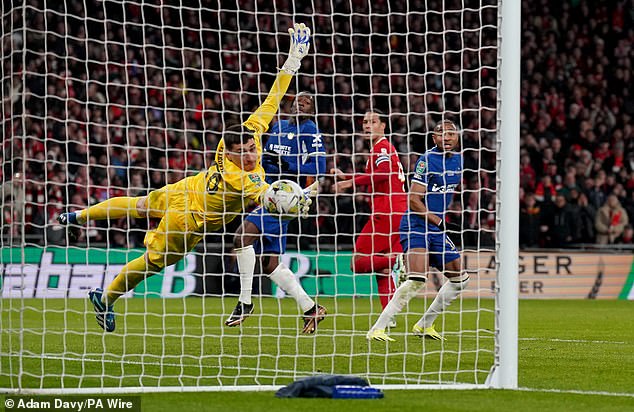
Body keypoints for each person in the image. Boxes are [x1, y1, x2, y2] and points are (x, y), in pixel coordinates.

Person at [56, 23, 313, 332]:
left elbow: (274, 97)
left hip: (187, 188)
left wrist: (293, 60)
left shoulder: (251, 131)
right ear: (228, 153)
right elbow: (265, 196)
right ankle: (107, 298)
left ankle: (77, 216)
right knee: (153, 262)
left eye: (250, 149)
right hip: (190, 219)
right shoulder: (240, 178)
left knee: (139, 205)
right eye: (242, 152)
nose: (250, 155)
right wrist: (290, 201)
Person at [225, 91, 328, 334]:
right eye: (297, 102)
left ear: (312, 109)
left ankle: (245, 302)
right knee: (269, 264)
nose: (300, 105)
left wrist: (288, 165)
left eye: (306, 103)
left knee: (241, 237)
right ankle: (311, 308)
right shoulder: (279, 126)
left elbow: (319, 166)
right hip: (268, 194)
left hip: (285, 198)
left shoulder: (310, 130)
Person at [366, 119, 467, 342]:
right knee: (417, 279)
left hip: (436, 228)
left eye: (451, 134)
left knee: (461, 280)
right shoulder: (427, 160)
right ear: (434, 138)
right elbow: (413, 200)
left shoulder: (459, 161)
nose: (446, 138)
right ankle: (377, 329)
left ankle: (424, 324)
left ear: (457, 137)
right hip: (417, 224)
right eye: (441, 134)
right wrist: (437, 220)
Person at [331, 110, 408, 326]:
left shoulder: (382, 147)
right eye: (365, 122)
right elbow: (381, 175)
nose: (367, 125)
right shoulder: (378, 148)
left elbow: (383, 174)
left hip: (387, 212)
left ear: (383, 125)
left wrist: (348, 183)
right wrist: (346, 175)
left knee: (357, 263)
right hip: (395, 211)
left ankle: (399, 261)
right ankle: (388, 316)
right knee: (381, 268)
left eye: (373, 121)